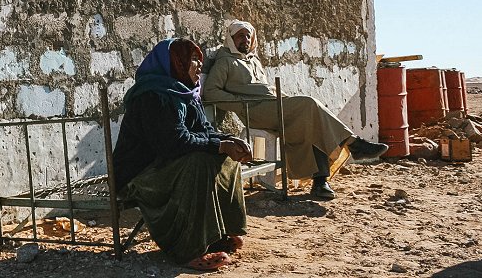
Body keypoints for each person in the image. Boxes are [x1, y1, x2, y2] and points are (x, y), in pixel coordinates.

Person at [201, 20, 388, 200]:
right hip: (255, 112)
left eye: (248, 36)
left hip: (272, 105)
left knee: (313, 123)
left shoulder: (253, 60)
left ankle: (320, 181)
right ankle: (353, 143)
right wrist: (241, 103)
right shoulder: (225, 61)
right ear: (231, 38)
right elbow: (210, 92)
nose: (245, 39)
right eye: (240, 36)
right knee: (308, 104)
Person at [112, 38, 252, 271]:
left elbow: (204, 131)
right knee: (198, 163)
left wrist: (228, 141)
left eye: (199, 58)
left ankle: (218, 234)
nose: (200, 65)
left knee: (227, 159)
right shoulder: (153, 95)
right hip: (140, 175)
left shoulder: (185, 92)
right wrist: (218, 146)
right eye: (193, 59)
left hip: (165, 165)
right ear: (175, 63)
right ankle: (188, 249)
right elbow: (173, 143)